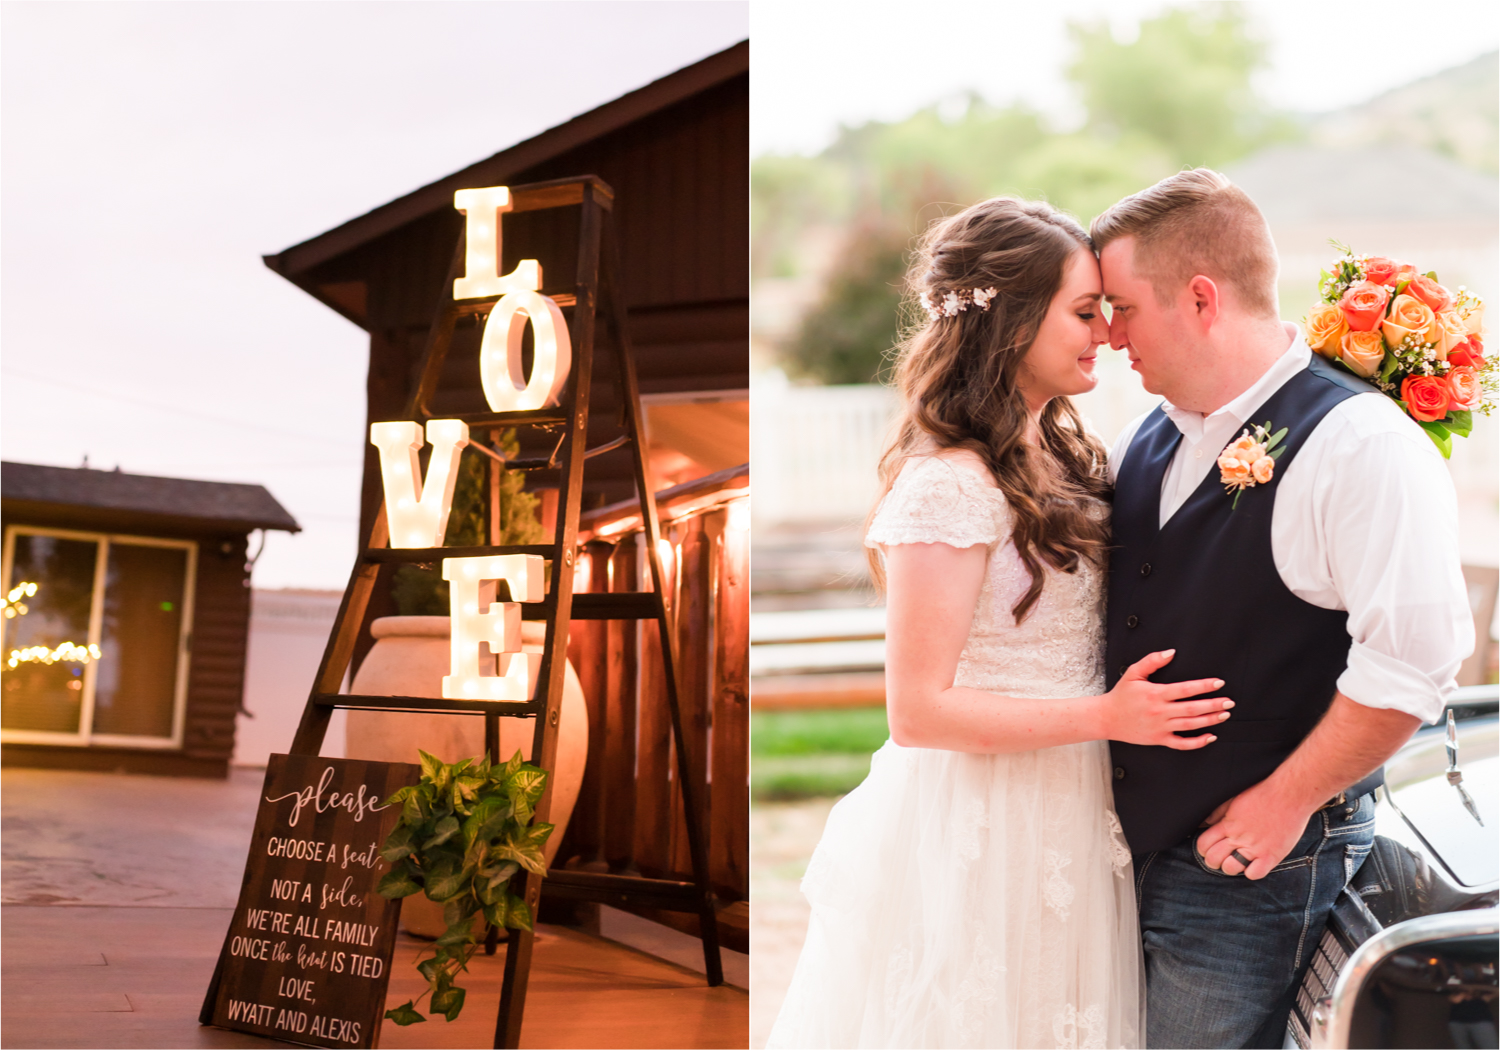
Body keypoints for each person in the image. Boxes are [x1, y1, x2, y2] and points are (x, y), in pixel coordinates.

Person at [766, 197, 1235, 1049]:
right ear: (1014, 321)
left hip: (1075, 804)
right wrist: (1105, 716)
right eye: (1085, 312)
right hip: (985, 820)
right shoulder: (947, 485)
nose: (1105, 333)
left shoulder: (1065, 457)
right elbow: (917, 713)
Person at [1093, 168, 1473, 1049]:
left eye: (1121, 307)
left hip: (1252, 861)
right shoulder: (1150, 432)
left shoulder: (1361, 442)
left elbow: (1412, 660)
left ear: (1198, 298)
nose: (1110, 337)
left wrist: (1283, 801)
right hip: (1135, 851)